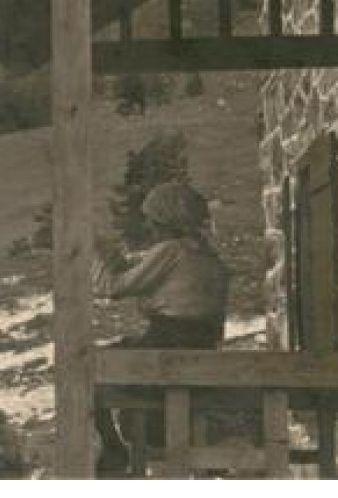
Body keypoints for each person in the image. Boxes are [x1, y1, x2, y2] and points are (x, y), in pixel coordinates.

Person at [92, 181, 229, 477]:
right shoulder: (209, 257)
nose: (150, 227)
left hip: (167, 346)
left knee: (92, 367)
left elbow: (113, 287)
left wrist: (100, 255)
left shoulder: (171, 251)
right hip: (202, 352)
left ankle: (114, 448)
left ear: (165, 221)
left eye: (153, 220)